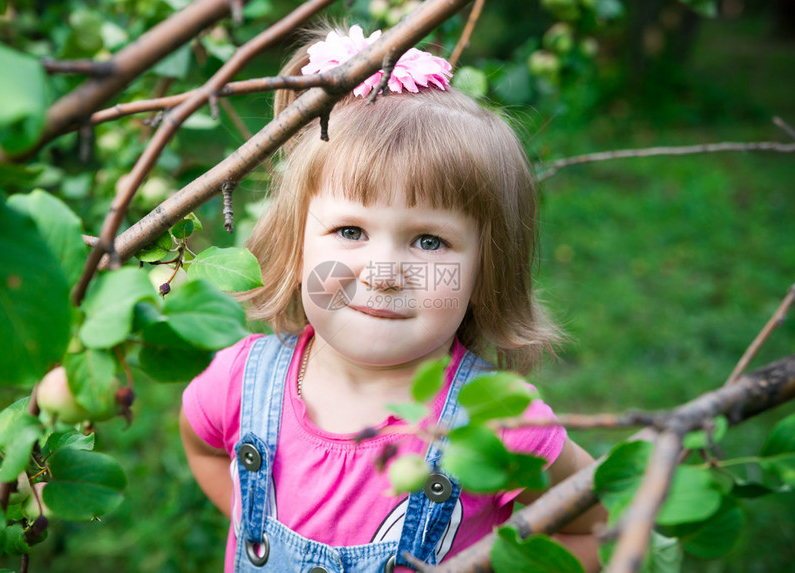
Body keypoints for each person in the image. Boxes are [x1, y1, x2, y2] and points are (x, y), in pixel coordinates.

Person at [180, 24, 605, 573]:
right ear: (296, 244)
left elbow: (598, 529)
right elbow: (204, 445)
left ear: (485, 270)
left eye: (429, 241)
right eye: (351, 232)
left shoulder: (499, 420)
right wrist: (249, 526)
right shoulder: (240, 381)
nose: (383, 275)